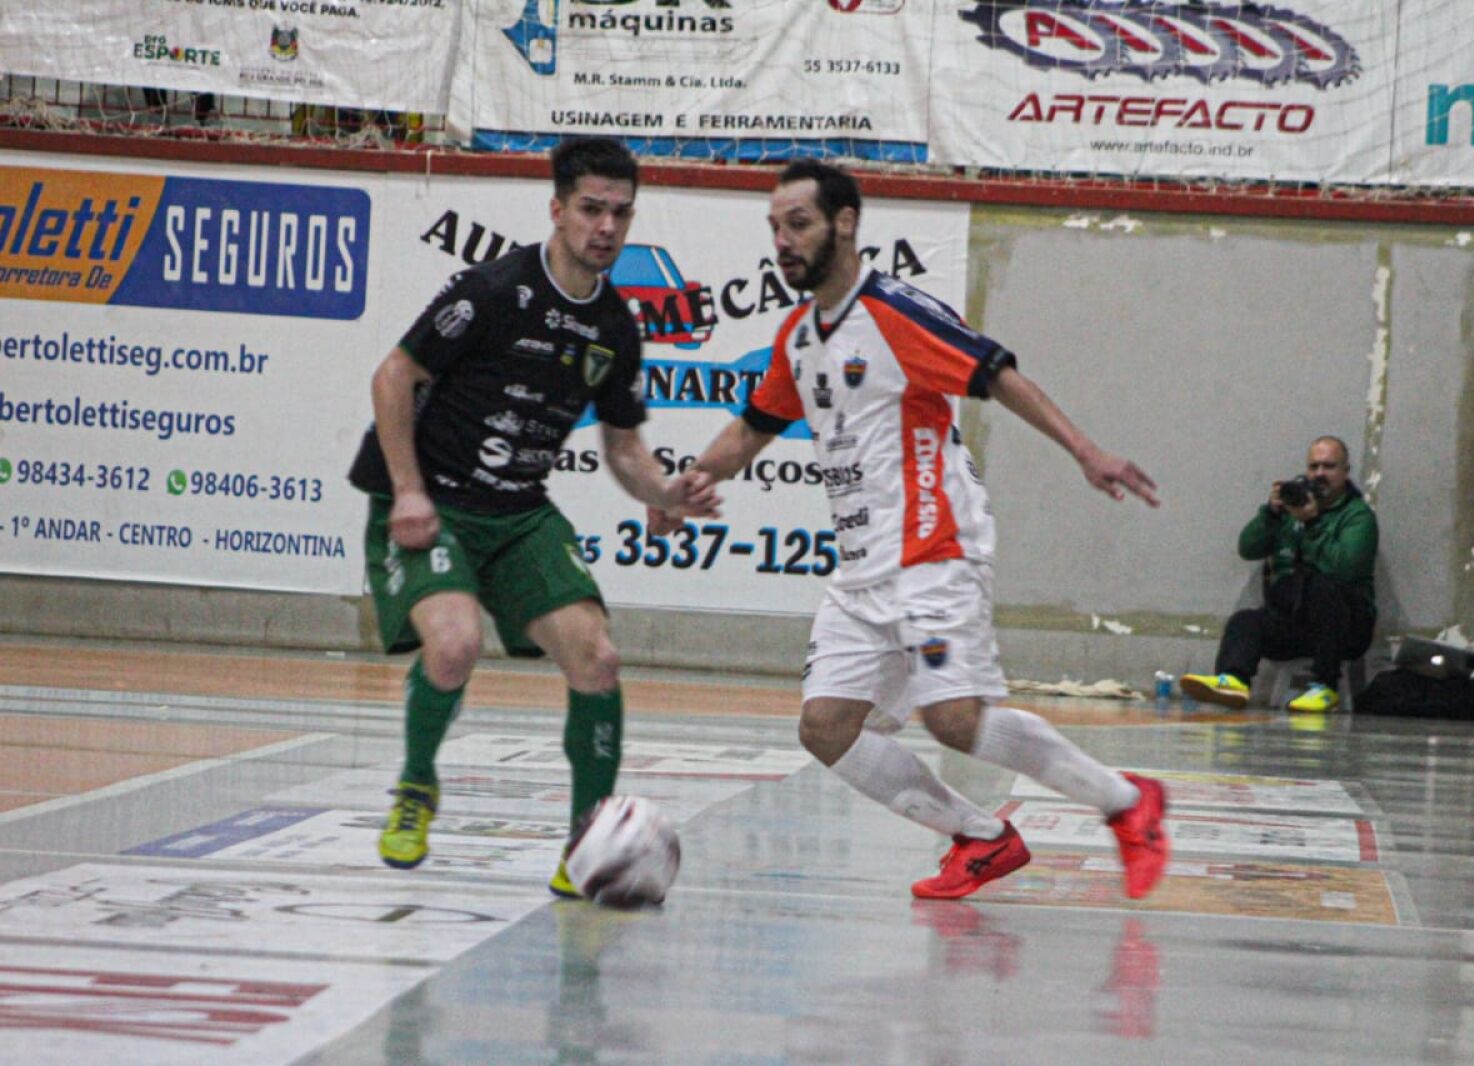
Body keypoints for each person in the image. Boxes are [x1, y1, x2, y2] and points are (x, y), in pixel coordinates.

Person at [651, 160, 1170, 901]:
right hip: (862, 570)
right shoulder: (799, 335)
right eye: (775, 228)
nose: (783, 241)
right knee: (825, 727)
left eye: (798, 224)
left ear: (846, 223)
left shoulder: (894, 313)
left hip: (934, 550)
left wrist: (1086, 450)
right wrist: (686, 485)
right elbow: (752, 430)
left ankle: (1127, 802)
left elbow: (998, 374)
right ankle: (981, 838)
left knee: (954, 719)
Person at [347, 137, 719, 894]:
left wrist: (663, 496)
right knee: (453, 645)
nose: (605, 227)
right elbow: (394, 374)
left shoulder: (614, 326)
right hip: (433, 500)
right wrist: (410, 491)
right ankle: (417, 785)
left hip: (517, 511)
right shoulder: (492, 290)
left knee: (599, 658)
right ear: (557, 210)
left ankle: (586, 844)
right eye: (590, 210)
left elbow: (623, 449)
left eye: (620, 212)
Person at [1180, 436, 1378, 713]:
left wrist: (1312, 522)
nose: (1320, 474)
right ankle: (1233, 681)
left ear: (1345, 472)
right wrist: (1270, 514)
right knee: (1246, 620)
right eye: (1314, 466)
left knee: (1322, 587)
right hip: (1297, 622)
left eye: (1329, 466)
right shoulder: (1289, 511)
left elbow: (1345, 569)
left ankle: (1325, 687)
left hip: (1347, 626)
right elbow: (1248, 548)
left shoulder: (1358, 516)